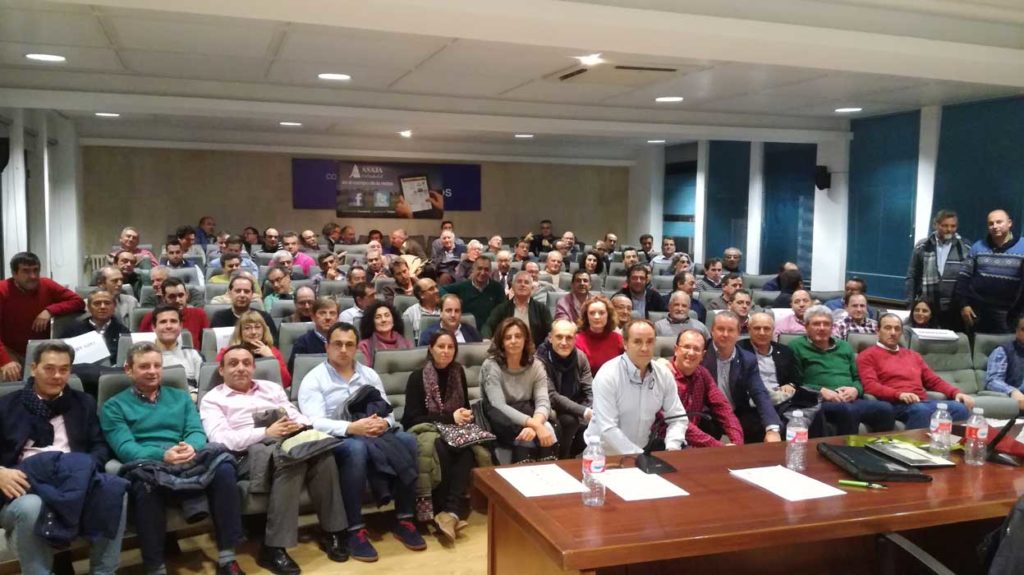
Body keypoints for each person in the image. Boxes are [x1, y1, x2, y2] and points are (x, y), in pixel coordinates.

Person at [101, 342, 245, 575]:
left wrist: (191, 447)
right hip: (149, 462)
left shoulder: (179, 397)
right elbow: (125, 448)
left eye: (157, 365)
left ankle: (227, 557)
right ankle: (155, 567)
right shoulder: (113, 406)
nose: (152, 371)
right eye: (144, 366)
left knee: (224, 467)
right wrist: (162, 455)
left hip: (187, 457)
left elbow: (196, 431)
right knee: (144, 482)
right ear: (129, 370)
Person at [200, 345, 348, 572]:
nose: (241, 368)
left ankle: (333, 532)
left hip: (286, 443)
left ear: (254, 367)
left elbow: (295, 412)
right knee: (292, 461)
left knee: (322, 454)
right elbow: (221, 439)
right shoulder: (213, 399)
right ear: (221, 370)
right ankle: (273, 548)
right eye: (233, 363)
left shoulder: (270, 388)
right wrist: (266, 433)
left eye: (246, 363)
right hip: (246, 456)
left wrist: (298, 424)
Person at [298, 322, 426, 562]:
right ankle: (354, 529)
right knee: (356, 448)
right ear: (327, 347)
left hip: (373, 433)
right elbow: (312, 422)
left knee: (408, 440)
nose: (343, 350)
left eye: (349, 345)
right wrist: (350, 427)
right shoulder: (314, 379)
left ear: (357, 348)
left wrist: (384, 424)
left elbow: (388, 412)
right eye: (337, 344)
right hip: (335, 439)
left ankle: (404, 520)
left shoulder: (369, 375)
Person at [0, 341, 128, 575]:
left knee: (115, 490)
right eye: (49, 368)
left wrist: (84, 468)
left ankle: (104, 571)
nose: (57, 376)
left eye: (64, 369)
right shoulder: (6, 405)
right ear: (33, 368)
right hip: (22, 485)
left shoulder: (83, 403)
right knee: (31, 506)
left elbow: (99, 446)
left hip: (74, 479)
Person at [401, 331, 479, 541]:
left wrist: (465, 415)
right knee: (440, 449)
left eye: (450, 347)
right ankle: (440, 511)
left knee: (467, 450)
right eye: (441, 347)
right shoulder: (417, 377)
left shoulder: (458, 372)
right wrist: (449, 417)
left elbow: (464, 406)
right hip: (425, 429)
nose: (446, 352)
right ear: (430, 348)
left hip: (453, 429)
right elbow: (411, 419)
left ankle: (450, 513)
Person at [789, 305, 896, 435]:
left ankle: (877, 451)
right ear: (806, 327)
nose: (822, 328)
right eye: (816, 324)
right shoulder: (796, 346)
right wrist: (820, 391)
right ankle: (845, 453)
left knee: (885, 409)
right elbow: (795, 383)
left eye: (826, 324)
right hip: (820, 401)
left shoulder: (844, 347)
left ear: (832, 327)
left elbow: (858, 378)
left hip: (850, 399)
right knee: (848, 410)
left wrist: (855, 390)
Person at [585, 319, 687, 454]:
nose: (644, 348)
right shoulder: (608, 374)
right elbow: (608, 428)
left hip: (641, 451)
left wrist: (672, 447)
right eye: (638, 341)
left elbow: (678, 418)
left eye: (650, 341)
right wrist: (639, 456)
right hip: (604, 456)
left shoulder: (663, 375)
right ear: (625, 344)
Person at [858, 314, 973, 429]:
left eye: (897, 329)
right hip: (893, 403)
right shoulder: (867, 355)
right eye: (888, 328)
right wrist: (899, 394)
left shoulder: (913, 355)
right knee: (920, 410)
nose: (893, 333)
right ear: (878, 331)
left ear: (901, 333)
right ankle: (915, 445)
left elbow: (933, 380)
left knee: (960, 408)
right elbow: (870, 386)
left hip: (920, 402)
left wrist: (956, 393)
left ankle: (948, 445)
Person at [479, 318, 557, 462]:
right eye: (508, 337)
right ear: (501, 341)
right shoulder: (491, 366)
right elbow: (498, 405)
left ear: (526, 339)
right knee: (526, 439)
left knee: (550, 432)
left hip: (529, 414)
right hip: (502, 420)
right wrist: (535, 425)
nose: (513, 341)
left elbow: (543, 401)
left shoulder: (537, 365)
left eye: (518, 336)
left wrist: (536, 425)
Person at [739, 312, 826, 437]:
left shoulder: (785, 351)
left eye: (767, 328)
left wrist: (790, 384)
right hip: (754, 400)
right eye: (757, 328)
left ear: (773, 331)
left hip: (783, 398)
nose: (762, 332)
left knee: (816, 411)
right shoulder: (740, 350)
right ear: (749, 329)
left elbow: (796, 378)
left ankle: (814, 450)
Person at [0, 252, 84, 380]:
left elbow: (78, 302)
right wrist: (5, 360)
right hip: (9, 349)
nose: (33, 276)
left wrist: (50, 310)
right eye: (26, 271)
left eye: (36, 270)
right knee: (8, 375)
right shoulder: (2, 290)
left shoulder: (46, 285)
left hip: (40, 350)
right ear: (14, 274)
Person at [701, 312, 782, 443]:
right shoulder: (700, 353)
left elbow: (759, 393)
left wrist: (772, 428)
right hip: (707, 415)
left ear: (738, 332)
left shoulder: (747, 359)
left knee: (762, 426)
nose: (725, 334)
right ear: (712, 331)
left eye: (731, 330)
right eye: (721, 329)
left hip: (736, 413)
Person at [667, 329, 744, 447]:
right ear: (676, 350)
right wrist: (719, 447)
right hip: (664, 444)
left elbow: (722, 407)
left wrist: (737, 442)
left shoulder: (702, 374)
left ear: (702, 355)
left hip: (693, 444)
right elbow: (679, 422)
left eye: (697, 349)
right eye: (686, 347)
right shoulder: (664, 376)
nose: (691, 353)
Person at [957, 209, 1024, 334]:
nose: (995, 226)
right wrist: (963, 305)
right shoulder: (978, 247)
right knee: (976, 349)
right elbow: (964, 278)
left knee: (1005, 351)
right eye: (991, 223)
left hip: (1010, 314)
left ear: (1009, 223)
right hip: (977, 312)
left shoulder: (1022, 247)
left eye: (999, 222)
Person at [536, 320, 593, 459]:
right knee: (570, 421)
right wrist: (584, 412)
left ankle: (572, 456)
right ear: (550, 338)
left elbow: (589, 389)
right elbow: (552, 396)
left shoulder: (580, 357)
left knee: (596, 423)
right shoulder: (539, 360)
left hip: (576, 405)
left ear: (575, 339)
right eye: (559, 337)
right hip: (550, 409)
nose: (564, 342)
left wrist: (591, 409)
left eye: (569, 337)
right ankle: (563, 458)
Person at [905, 210, 971, 330]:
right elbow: (912, 276)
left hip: (954, 308)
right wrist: (910, 304)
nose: (949, 229)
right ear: (935, 225)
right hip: (927, 307)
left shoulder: (965, 247)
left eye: (953, 226)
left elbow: (968, 279)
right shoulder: (922, 246)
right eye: (945, 225)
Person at [215, 310, 291, 389]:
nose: (253, 332)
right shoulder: (226, 353)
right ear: (240, 332)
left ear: (263, 330)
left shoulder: (272, 351)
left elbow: (286, 383)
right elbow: (218, 381)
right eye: (247, 328)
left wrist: (271, 359)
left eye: (257, 327)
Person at [64, 289, 131, 366]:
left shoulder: (123, 331)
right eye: (97, 303)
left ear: (114, 307)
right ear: (89, 307)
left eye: (107, 303)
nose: (102, 307)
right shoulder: (73, 330)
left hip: (112, 374)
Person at [484, 271, 553, 347]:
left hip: (535, 352)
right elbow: (488, 326)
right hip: (508, 350)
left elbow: (551, 331)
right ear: (513, 286)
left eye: (526, 282)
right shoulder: (502, 308)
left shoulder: (542, 309)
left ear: (532, 288)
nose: (522, 285)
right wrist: (487, 339)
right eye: (519, 282)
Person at [139, 277, 210, 345]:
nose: (177, 300)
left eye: (181, 295)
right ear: (163, 298)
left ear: (187, 295)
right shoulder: (150, 318)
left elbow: (206, 345)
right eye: (172, 296)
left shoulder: (199, 314)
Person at [440, 256, 505, 329]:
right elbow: (441, 289)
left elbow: (503, 312)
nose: (483, 273)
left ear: (490, 271)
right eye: (479, 268)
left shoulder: (497, 288)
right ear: (473, 270)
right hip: (467, 330)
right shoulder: (463, 286)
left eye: (486, 269)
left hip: (491, 330)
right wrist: (452, 300)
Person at [151, 303, 204, 387]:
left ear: (181, 326)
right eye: (163, 322)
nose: (168, 326)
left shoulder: (193, 355)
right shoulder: (139, 357)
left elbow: (202, 390)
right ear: (154, 327)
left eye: (173, 321)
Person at [575, 295, 625, 374]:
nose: (597, 317)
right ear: (586, 316)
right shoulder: (577, 341)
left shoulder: (618, 339)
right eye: (592, 313)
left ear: (608, 315)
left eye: (601, 313)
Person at [288, 297, 339, 373]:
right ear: (313, 317)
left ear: (338, 318)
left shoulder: (345, 341)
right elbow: (295, 373)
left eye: (332, 313)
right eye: (322, 313)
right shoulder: (302, 343)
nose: (328, 317)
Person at [984, 316, 1024, 412]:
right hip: (1019, 400)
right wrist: (1013, 392)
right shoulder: (1003, 351)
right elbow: (992, 381)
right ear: (1017, 331)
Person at [357, 301, 412, 367]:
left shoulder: (407, 344)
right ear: (372, 323)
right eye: (378, 317)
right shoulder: (364, 346)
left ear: (394, 320)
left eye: (387, 315)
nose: (383, 320)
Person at [418, 294, 483, 345]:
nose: (453, 315)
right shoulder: (428, 335)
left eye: (457, 311)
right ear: (441, 312)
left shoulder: (472, 332)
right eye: (448, 310)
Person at [404, 278, 441, 342]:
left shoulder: (445, 310)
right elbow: (407, 342)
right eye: (431, 289)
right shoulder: (410, 314)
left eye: (436, 287)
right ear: (421, 295)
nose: (437, 291)